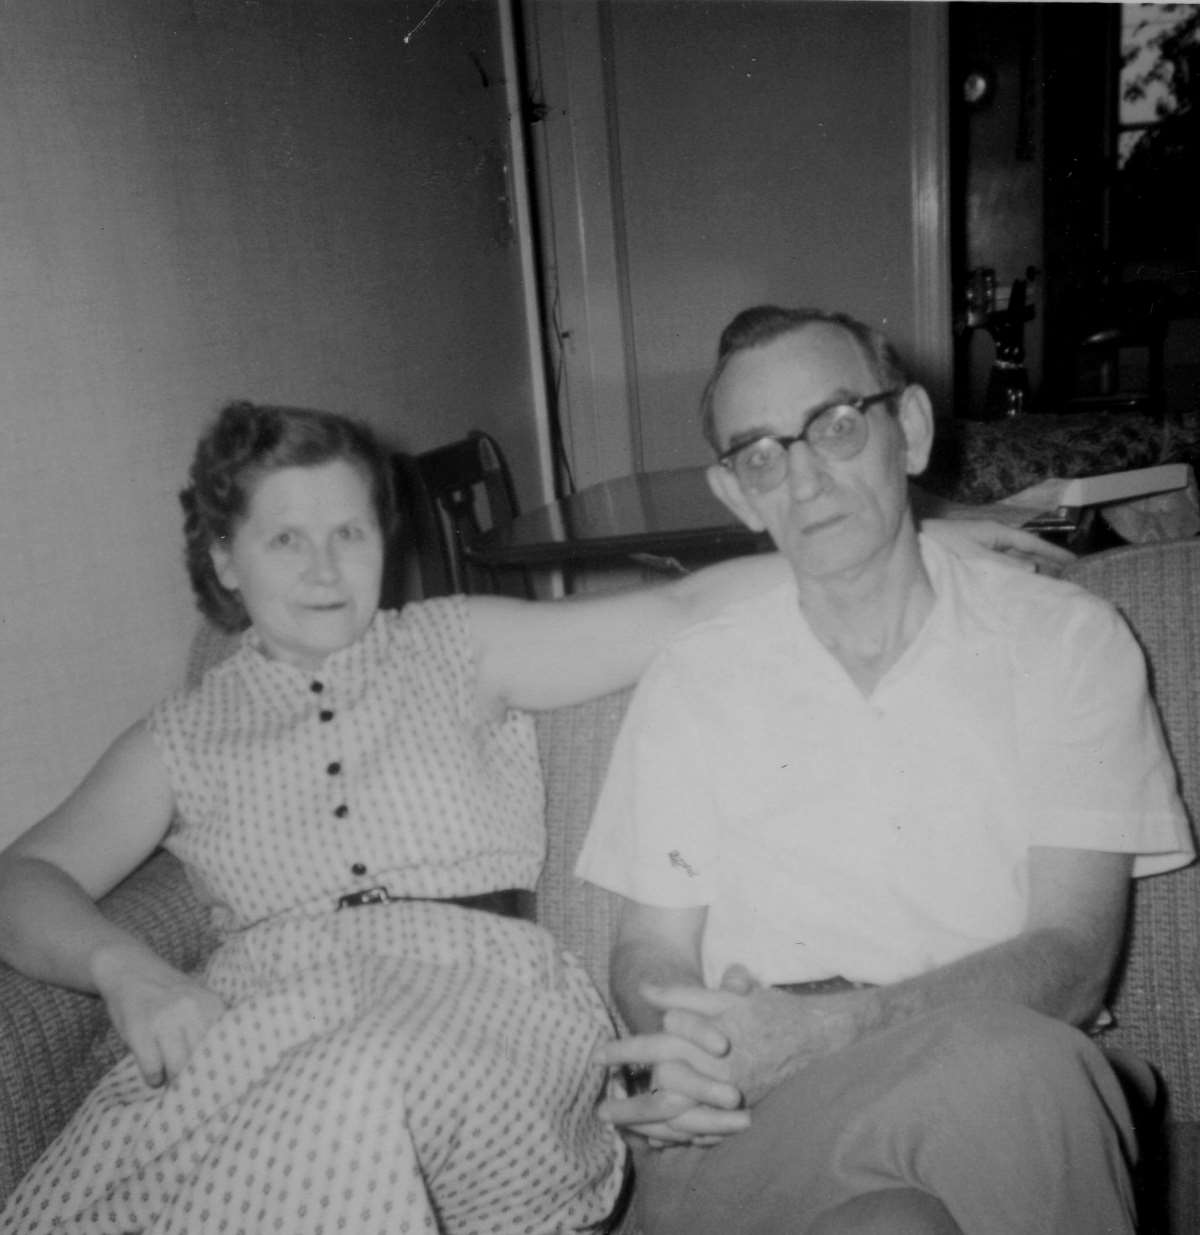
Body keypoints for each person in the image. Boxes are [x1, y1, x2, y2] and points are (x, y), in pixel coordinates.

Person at [0, 398, 1069, 1235]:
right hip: (261, 1038)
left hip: (479, 1018)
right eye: (287, 539)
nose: (326, 568)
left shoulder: (456, 643)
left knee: (358, 1082)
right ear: (225, 558)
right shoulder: (182, 734)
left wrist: (912, 549)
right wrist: (125, 967)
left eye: (351, 531)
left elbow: (681, 607)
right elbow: (22, 878)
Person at [576, 307, 1195, 1235]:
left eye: (834, 425)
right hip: (755, 1120)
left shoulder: (1066, 642)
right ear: (737, 493)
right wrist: (685, 1051)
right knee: (1024, 1075)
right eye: (761, 454)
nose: (804, 478)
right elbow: (650, 950)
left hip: (995, 1070)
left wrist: (831, 1032)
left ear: (908, 427)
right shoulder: (695, 676)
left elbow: (1073, 960)